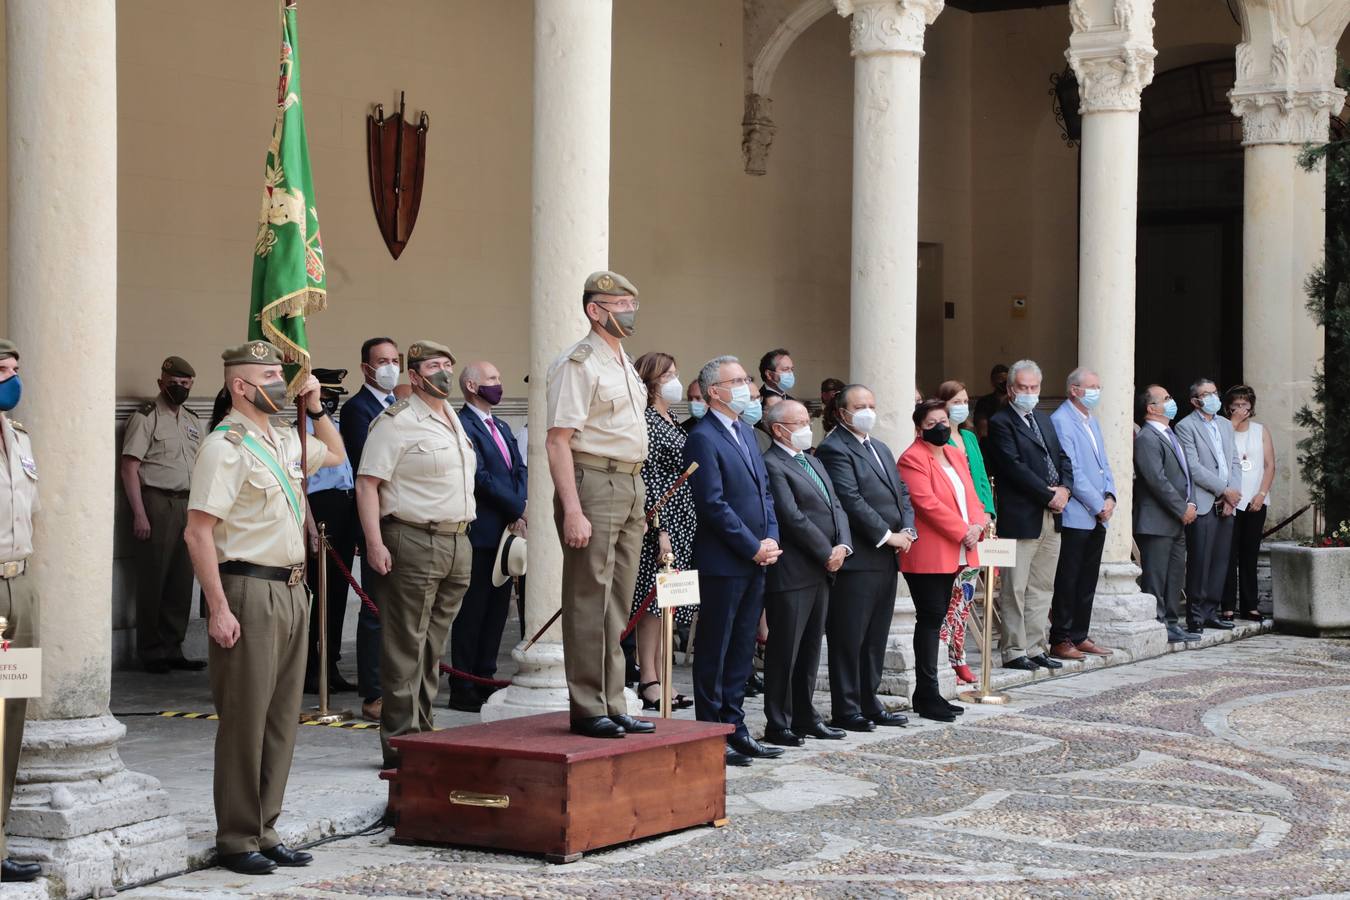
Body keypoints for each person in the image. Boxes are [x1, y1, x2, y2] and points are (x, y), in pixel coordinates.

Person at [183, 340, 345, 875]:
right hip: (248, 589)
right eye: (270, 375)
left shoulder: (283, 438)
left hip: (293, 587)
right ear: (240, 386)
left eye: (281, 374)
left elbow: (336, 455)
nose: (281, 382)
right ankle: (236, 836)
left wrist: (316, 409)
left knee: (280, 719)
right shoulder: (224, 446)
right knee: (245, 720)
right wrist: (218, 607)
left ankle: (265, 828)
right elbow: (198, 532)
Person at [545, 271, 655, 739]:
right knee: (589, 598)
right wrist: (572, 509)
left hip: (629, 481)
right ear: (595, 310)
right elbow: (558, 441)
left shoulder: (622, 361)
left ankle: (613, 698)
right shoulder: (579, 363)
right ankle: (588, 705)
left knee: (617, 601)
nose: (629, 312)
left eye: (632, 304)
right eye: (620, 304)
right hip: (593, 480)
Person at [357, 341, 476, 767]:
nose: (443, 372)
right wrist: (374, 543)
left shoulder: (453, 418)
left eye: (447, 364)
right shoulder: (396, 422)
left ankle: (421, 731)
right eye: (433, 366)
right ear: (415, 376)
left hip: (455, 540)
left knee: (431, 647)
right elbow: (367, 483)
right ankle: (400, 743)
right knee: (405, 645)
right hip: (412, 537)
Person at [684, 355, 782, 765]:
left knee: (742, 647)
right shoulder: (703, 436)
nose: (747, 387)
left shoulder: (745, 430)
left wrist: (770, 538)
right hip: (724, 560)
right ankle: (711, 733)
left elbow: (764, 493)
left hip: (757, 557)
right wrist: (751, 545)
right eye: (737, 381)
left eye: (746, 379)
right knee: (716, 647)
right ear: (714, 392)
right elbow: (712, 503)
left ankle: (735, 726)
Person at [816, 384, 914, 732]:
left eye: (871, 404)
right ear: (842, 412)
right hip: (860, 558)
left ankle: (869, 700)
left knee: (875, 636)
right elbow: (850, 500)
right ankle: (847, 707)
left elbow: (901, 491)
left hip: (887, 557)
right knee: (849, 636)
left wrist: (908, 529)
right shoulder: (834, 448)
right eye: (859, 407)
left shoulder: (880, 447)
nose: (867, 412)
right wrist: (887, 535)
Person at [760, 400, 850, 746]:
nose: (806, 428)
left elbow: (836, 505)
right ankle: (778, 721)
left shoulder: (812, 460)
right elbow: (791, 516)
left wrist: (843, 546)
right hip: (794, 570)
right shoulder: (772, 463)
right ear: (778, 429)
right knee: (786, 649)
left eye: (806, 421)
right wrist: (825, 551)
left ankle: (805, 714)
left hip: (823, 569)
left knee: (811, 647)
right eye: (798, 423)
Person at [898, 400, 988, 722]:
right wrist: (963, 531)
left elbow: (971, 495)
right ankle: (927, 693)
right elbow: (926, 503)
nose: (940, 427)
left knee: (939, 620)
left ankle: (930, 693)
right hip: (931, 552)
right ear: (919, 429)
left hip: (960, 546)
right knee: (930, 618)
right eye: (932, 423)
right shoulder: (912, 458)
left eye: (943, 421)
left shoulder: (953, 453)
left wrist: (977, 524)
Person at [449, 361, 527, 712]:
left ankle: (485, 676)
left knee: (496, 612)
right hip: (481, 531)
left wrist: (520, 506)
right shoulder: (463, 424)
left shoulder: (502, 426)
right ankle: (463, 684)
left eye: (499, 377)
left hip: (507, 533)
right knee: (473, 611)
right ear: (471, 385)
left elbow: (518, 468)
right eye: (492, 379)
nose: (498, 384)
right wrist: (517, 507)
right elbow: (480, 477)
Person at [119, 355, 205, 673]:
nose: (179, 388)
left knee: (181, 580)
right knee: (153, 579)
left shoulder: (192, 420)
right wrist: (139, 514)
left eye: (185, 383)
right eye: (174, 383)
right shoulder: (146, 417)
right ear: (161, 383)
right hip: (157, 503)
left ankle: (173, 647)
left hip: (188, 504)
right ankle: (151, 650)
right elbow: (129, 467)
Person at [986, 359, 1073, 672]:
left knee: (1042, 586)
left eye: (1033, 387)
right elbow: (1013, 468)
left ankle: (1037, 646)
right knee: (1015, 587)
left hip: (1052, 515)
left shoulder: (1044, 419)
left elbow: (1062, 458)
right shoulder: (1001, 422)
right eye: (1022, 387)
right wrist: (1050, 495)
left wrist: (1065, 489)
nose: (1029, 392)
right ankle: (1014, 649)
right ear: (1011, 389)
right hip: (1022, 515)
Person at [629, 352, 697, 711]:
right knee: (653, 603)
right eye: (667, 374)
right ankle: (649, 678)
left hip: (683, 517)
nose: (675, 380)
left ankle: (663, 675)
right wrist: (661, 530)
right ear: (651, 380)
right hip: (661, 520)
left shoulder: (670, 418)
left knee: (669, 602)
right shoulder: (646, 419)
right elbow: (649, 476)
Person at [339, 336, 401, 723]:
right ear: (366, 368)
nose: (391, 367)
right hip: (375, 520)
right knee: (376, 608)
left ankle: (398, 684)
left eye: (395, 359)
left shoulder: (401, 406)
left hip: (402, 519)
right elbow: (369, 464)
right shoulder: (357, 409)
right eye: (383, 361)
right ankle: (374, 692)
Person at [0, 340, 42, 884]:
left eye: (14, 369)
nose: (11, 379)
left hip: (18, 588)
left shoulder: (20, 436)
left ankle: (0, 839)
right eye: (0, 370)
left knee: (10, 715)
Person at [1047, 368, 1117, 661]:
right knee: (1069, 578)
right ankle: (1061, 637)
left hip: (1099, 512)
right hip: (1077, 512)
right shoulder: (1061, 420)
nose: (1096, 392)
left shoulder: (1092, 420)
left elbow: (1104, 464)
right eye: (1092, 387)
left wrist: (1110, 496)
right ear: (1074, 390)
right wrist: (1096, 504)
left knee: (1088, 578)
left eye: (1098, 386)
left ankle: (1080, 633)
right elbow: (1072, 469)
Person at [933, 380, 995, 684]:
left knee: (965, 595)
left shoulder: (969, 437)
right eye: (956, 401)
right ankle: (942, 655)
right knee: (947, 596)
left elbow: (980, 479)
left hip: (977, 524)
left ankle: (959, 656)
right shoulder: (937, 440)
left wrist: (987, 514)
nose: (962, 407)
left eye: (965, 401)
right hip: (952, 525)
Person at [301, 368, 358, 694]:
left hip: (343, 507)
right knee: (318, 592)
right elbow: (301, 485)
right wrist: (310, 526)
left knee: (338, 592)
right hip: (320, 509)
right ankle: (311, 667)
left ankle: (330, 662)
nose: (330, 401)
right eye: (324, 395)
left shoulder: (331, 426)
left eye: (334, 396)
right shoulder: (302, 431)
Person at [1133, 386, 1201, 643]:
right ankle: (1157, 622)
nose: (1172, 402)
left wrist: (1191, 503)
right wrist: (1181, 508)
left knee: (1174, 575)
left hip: (1176, 519)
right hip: (1156, 520)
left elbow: (1186, 474)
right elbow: (1156, 480)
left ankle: (1172, 622)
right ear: (1151, 408)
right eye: (1166, 399)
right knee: (1157, 576)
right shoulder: (1147, 438)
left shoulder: (1170, 434)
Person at [1174, 377, 1241, 633]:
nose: (1213, 398)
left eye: (1215, 392)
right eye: (1206, 394)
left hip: (1227, 502)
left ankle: (1211, 611)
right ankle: (1195, 616)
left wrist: (1233, 494)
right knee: (1200, 560)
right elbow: (1193, 467)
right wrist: (1223, 490)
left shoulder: (1224, 424)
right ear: (1195, 401)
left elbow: (1234, 461)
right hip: (1203, 501)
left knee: (1220, 560)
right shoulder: (1185, 426)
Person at [1223, 385, 1274, 621]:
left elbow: (1269, 465)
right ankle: (1227, 605)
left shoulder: (1260, 430)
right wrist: (1231, 425)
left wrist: (1261, 494)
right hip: (1230, 501)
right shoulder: (1223, 429)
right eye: (1237, 404)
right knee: (1228, 554)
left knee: (1250, 553)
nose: (1242, 408)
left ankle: (1250, 605)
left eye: (1246, 404)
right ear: (1229, 407)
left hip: (1255, 500)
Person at [973, 363, 1009, 452]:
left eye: (1006, 379)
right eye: (1000, 379)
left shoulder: (1015, 401)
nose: (1004, 382)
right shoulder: (984, 402)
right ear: (993, 381)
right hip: (990, 448)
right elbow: (982, 431)